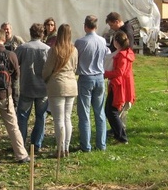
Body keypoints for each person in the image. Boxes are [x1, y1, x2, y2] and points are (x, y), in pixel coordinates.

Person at [0, 28, 30, 165]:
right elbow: (16, 75)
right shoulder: (11, 55)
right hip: (6, 94)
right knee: (12, 126)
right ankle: (22, 155)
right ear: (4, 39)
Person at [74, 14, 109, 152]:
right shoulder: (102, 40)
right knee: (99, 113)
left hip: (86, 77)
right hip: (99, 76)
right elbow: (107, 53)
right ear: (96, 26)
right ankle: (101, 144)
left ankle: (86, 145)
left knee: (84, 114)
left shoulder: (80, 42)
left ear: (85, 26)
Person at [43, 23, 78, 158]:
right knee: (67, 118)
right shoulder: (74, 50)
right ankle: (66, 147)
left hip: (57, 84)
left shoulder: (54, 50)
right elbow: (75, 67)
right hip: (71, 83)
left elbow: (47, 69)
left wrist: (45, 78)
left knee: (58, 119)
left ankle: (60, 148)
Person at [15, 23, 49, 153]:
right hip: (43, 88)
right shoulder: (47, 49)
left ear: (30, 33)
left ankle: (21, 143)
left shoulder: (23, 48)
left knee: (23, 116)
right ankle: (37, 143)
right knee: (41, 116)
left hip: (27, 86)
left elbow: (14, 62)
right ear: (42, 34)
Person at [104, 31, 135, 145]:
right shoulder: (126, 53)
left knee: (111, 111)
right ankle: (118, 134)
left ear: (116, 42)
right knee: (110, 111)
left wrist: (105, 73)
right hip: (121, 84)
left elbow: (119, 72)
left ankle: (122, 137)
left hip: (119, 85)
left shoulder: (122, 56)